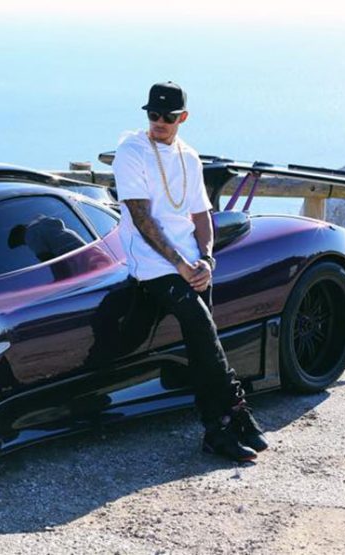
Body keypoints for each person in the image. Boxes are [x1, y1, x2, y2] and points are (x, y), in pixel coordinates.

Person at [112, 81, 268, 462]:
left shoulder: (190, 157)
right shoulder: (131, 152)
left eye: (167, 116)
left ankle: (217, 430)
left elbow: (201, 215)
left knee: (202, 344)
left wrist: (207, 259)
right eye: (153, 114)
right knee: (201, 328)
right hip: (153, 265)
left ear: (182, 118)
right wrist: (180, 265)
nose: (159, 122)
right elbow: (142, 219)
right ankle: (235, 412)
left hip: (192, 263)